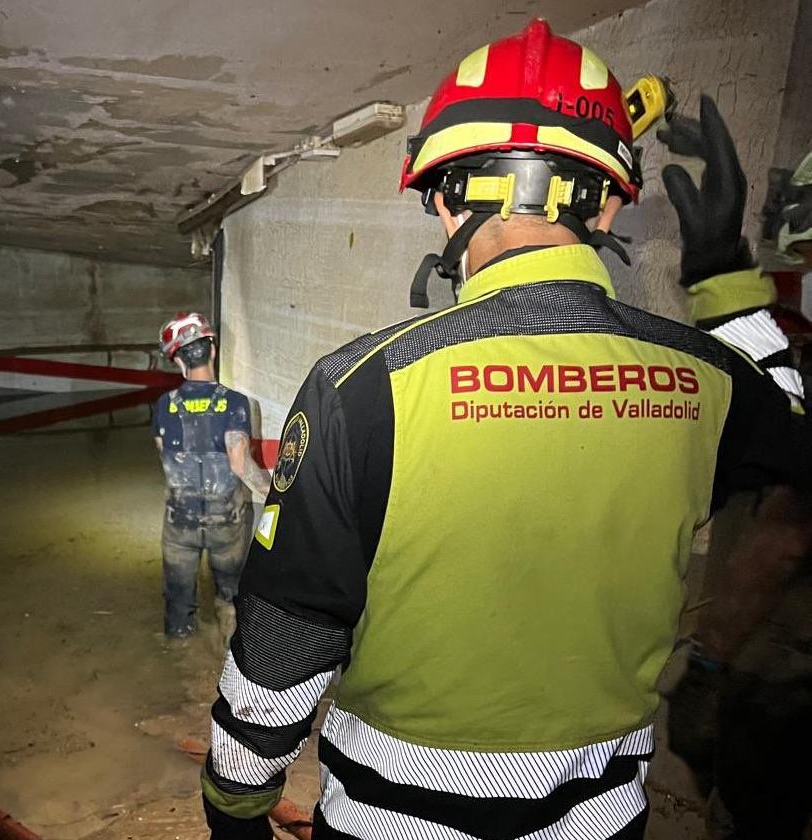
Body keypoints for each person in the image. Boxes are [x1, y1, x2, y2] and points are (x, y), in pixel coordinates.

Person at [200, 20, 809, 840]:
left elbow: (283, 647)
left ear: (447, 200)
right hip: (597, 819)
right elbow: (797, 436)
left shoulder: (361, 387)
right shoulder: (705, 378)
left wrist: (234, 809)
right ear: (605, 204)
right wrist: (725, 284)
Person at [660, 101, 812, 839]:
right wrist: (720, 271)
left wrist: (708, 667)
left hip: (779, 685)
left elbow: (781, 534)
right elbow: (781, 398)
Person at [154, 312, 271, 643]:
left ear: (177, 359)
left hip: (179, 522)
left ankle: (179, 660)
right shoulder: (235, 403)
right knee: (230, 598)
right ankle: (225, 665)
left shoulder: (164, 405)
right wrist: (274, 493)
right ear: (213, 350)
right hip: (226, 524)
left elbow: (163, 454)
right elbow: (239, 464)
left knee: (178, 603)